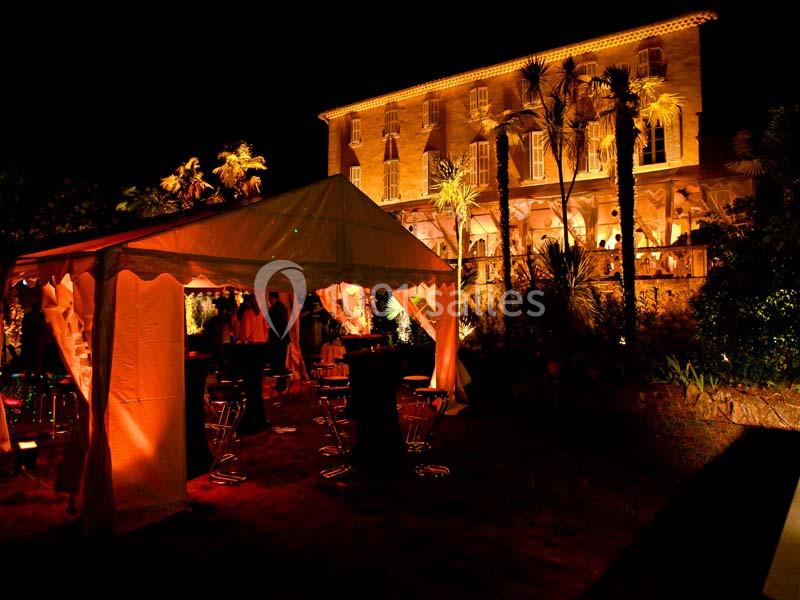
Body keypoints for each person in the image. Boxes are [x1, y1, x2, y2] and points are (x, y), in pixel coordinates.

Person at [267, 292, 290, 382]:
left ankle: (280, 383)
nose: (269, 300)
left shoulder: (273, 309)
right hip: (283, 337)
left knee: (277, 361)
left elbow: (271, 324)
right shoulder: (283, 307)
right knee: (282, 361)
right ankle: (282, 383)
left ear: (273, 298)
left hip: (277, 338)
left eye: (269, 298)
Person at [20, 300, 46, 373]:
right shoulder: (39, 317)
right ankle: (35, 372)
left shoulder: (30, 316)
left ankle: (33, 372)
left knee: (34, 356)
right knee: (34, 356)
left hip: (34, 339)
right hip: (33, 339)